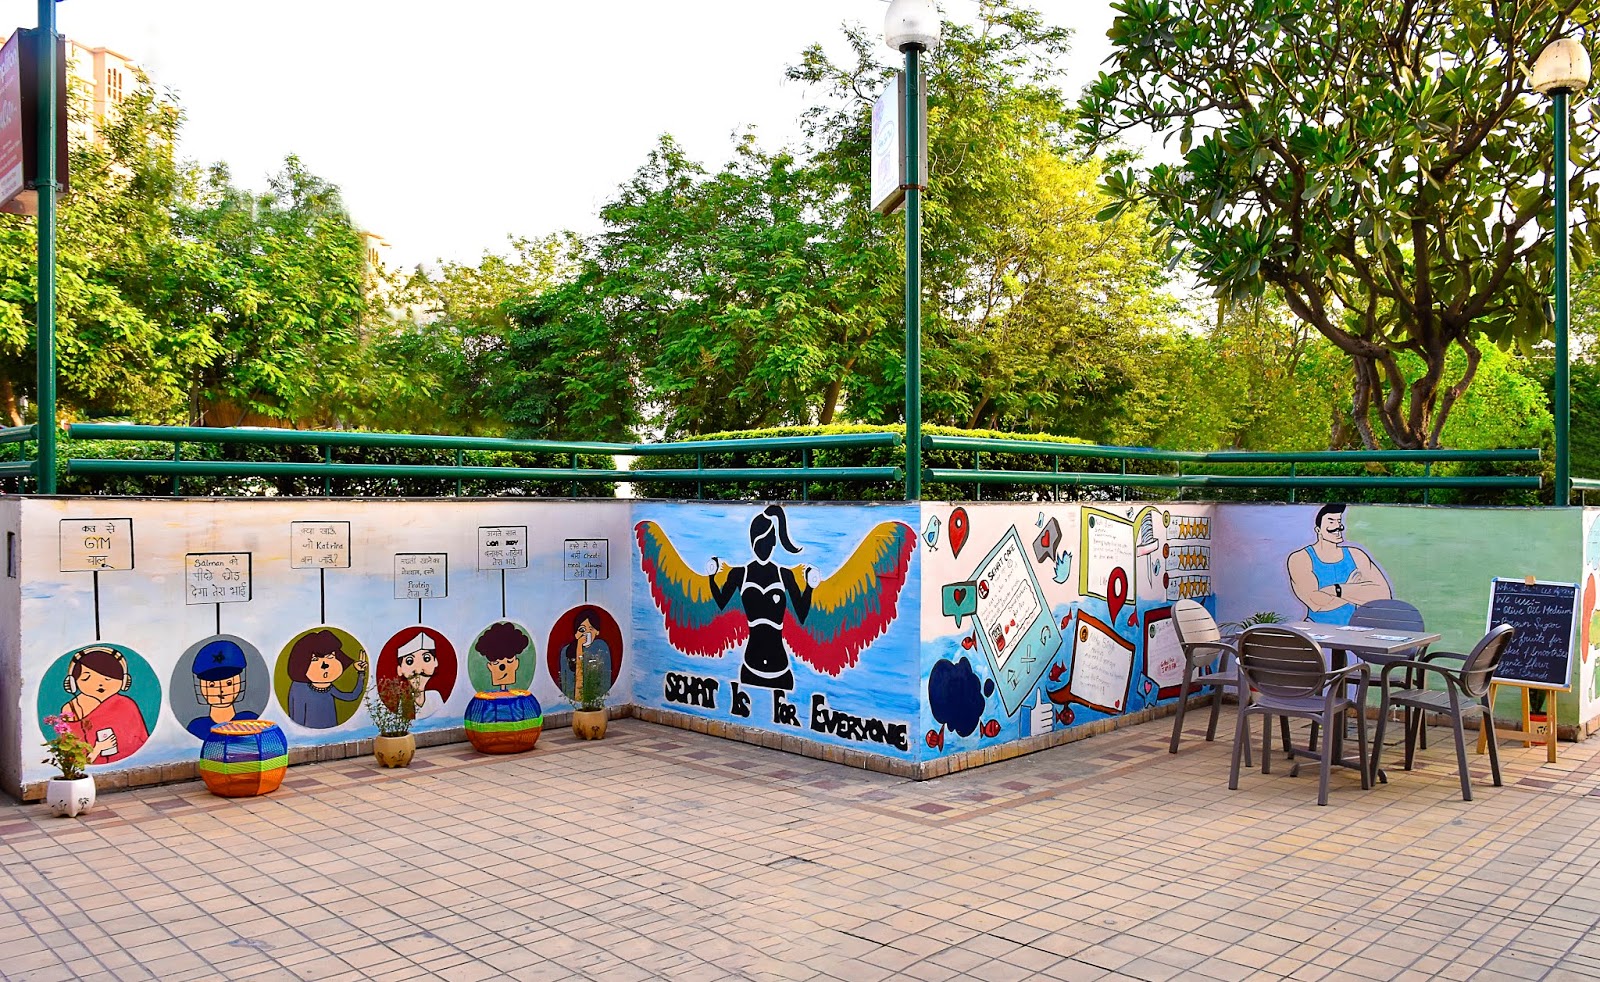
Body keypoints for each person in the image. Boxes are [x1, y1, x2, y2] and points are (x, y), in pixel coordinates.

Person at [708, 504, 814, 690]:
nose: (763, 546)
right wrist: (711, 577)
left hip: (781, 671)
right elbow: (721, 603)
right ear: (752, 542)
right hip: (750, 667)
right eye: (759, 540)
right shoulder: (740, 574)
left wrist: (810, 587)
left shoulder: (785, 575)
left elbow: (802, 613)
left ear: (774, 542)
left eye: (768, 539)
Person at [1287, 504, 1392, 625]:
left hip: (1353, 629)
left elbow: (1383, 595)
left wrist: (1337, 590)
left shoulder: (1356, 555)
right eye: (1331, 521)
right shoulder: (1300, 558)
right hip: (1316, 628)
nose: (1337, 526)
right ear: (1318, 529)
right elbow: (1316, 603)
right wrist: (1353, 590)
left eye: (1339, 521)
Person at [58, 645, 150, 763]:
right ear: (72, 683)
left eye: (108, 678)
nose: (100, 684)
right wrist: (98, 749)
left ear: (124, 681)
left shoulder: (126, 705)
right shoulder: (71, 709)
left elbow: (141, 744)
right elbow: (73, 758)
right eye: (87, 678)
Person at [286, 630, 366, 729]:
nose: (325, 665)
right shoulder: (299, 688)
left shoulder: (329, 687)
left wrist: (361, 673)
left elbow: (352, 696)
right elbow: (297, 718)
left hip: (332, 730)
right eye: (315, 659)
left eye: (330, 657)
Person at [186, 639, 258, 739]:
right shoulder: (196, 727)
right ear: (201, 687)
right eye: (212, 685)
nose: (221, 690)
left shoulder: (250, 721)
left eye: (229, 683)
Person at [559, 608, 612, 704]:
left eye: (590, 629)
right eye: (582, 629)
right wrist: (579, 648)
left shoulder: (601, 647)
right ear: (576, 634)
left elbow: (605, 681)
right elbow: (573, 692)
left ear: (597, 632)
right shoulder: (567, 651)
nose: (586, 633)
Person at [395, 631, 445, 719]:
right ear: (400, 670)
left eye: (426, 659)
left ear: (435, 662)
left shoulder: (435, 697)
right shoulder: (403, 702)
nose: (418, 670)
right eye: (409, 661)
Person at [474, 621, 530, 691]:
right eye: (496, 663)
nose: (502, 667)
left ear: (516, 664)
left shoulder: (524, 696)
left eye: (509, 661)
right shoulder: (483, 697)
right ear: (489, 667)